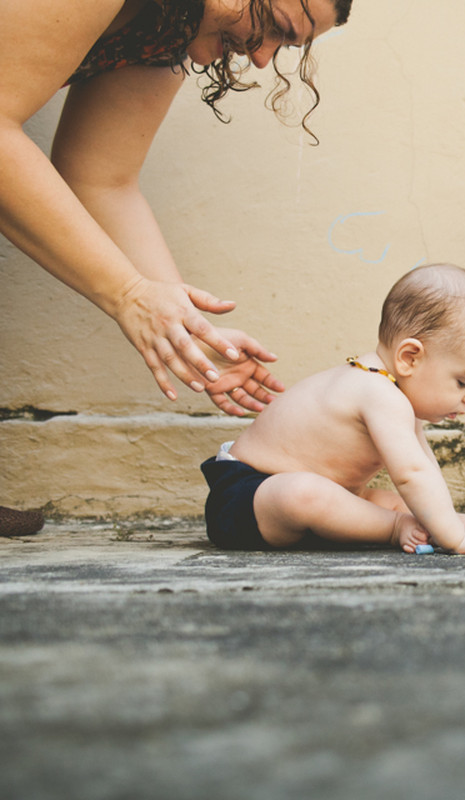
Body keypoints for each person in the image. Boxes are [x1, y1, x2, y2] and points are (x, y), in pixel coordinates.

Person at [0, 1, 352, 534]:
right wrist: (128, 294)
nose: (262, 59)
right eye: (274, 31)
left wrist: (188, 330)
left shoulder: (171, 25)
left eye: (285, 47)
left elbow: (101, 178)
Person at [200, 263, 465, 555]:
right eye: (464, 382)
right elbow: (411, 474)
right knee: (305, 493)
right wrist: (456, 540)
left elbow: (425, 472)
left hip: (327, 498)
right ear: (410, 358)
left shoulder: (390, 391)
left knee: (397, 502)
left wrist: (449, 520)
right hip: (246, 496)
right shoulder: (377, 392)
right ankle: (403, 528)